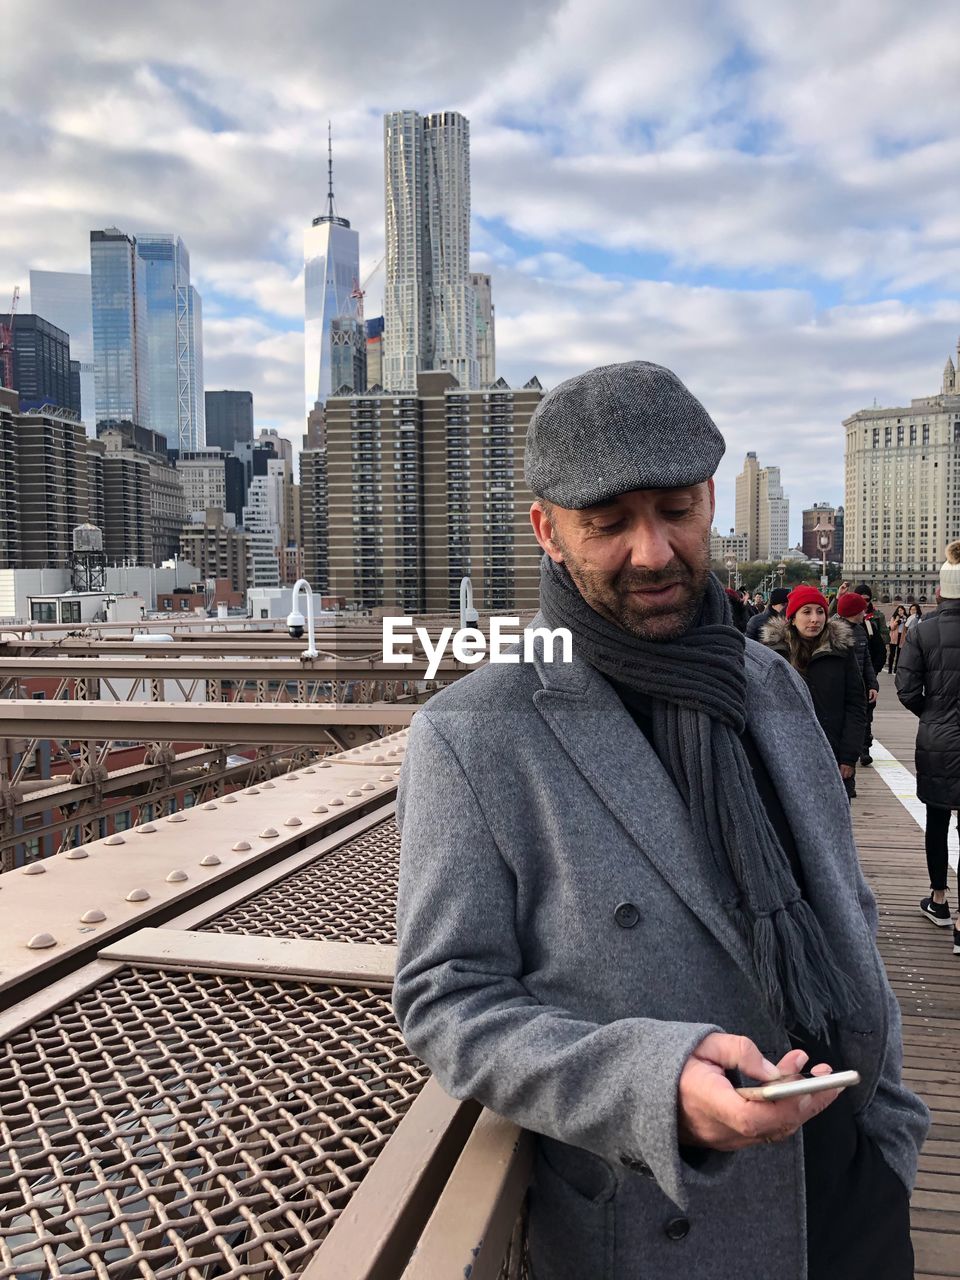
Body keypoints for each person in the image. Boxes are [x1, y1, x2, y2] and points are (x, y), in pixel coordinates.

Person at [394, 361, 927, 1280]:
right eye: (608, 525)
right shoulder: (473, 733)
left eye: (675, 511)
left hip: (851, 1192)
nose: (651, 551)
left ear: (711, 500)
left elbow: (846, 913)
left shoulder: (766, 685)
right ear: (549, 532)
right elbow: (448, 1001)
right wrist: (656, 1082)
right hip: (670, 1216)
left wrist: (890, 1133)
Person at [896, 543, 960, 955]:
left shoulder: (921, 631)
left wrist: (933, 713)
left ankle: (939, 900)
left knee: (937, 822)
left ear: (939, 591)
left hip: (936, 739)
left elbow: (905, 690)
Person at [759, 586, 866, 801]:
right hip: (786, 755)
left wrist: (848, 756)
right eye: (806, 612)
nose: (814, 619)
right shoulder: (774, 653)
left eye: (820, 612)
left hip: (832, 752)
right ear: (792, 617)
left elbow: (855, 704)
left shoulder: (841, 650)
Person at [835, 592, 880, 765]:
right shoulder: (835, 631)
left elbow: (866, 660)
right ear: (854, 612)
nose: (865, 613)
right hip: (841, 687)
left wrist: (873, 685)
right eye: (862, 610)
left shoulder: (861, 631)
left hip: (860, 685)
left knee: (863, 720)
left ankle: (863, 750)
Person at [888, 605, 908, 673]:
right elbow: (892, 627)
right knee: (892, 654)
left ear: (904, 611)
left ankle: (896, 669)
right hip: (894, 637)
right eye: (899, 610)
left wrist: (905, 620)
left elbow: (907, 628)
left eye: (902, 610)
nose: (900, 612)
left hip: (902, 637)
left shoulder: (906, 619)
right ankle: (890, 669)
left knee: (899, 655)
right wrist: (897, 620)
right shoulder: (894, 618)